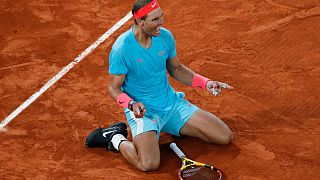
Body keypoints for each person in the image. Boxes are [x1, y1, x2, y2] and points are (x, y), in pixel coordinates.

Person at [85, 0, 233, 172]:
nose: (161, 23)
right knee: (148, 164)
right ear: (140, 21)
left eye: (161, 17)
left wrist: (205, 83)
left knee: (224, 136)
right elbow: (114, 88)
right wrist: (132, 104)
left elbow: (176, 69)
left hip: (172, 105)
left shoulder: (165, 37)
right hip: (144, 114)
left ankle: (173, 126)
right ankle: (115, 138)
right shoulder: (122, 49)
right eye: (155, 19)